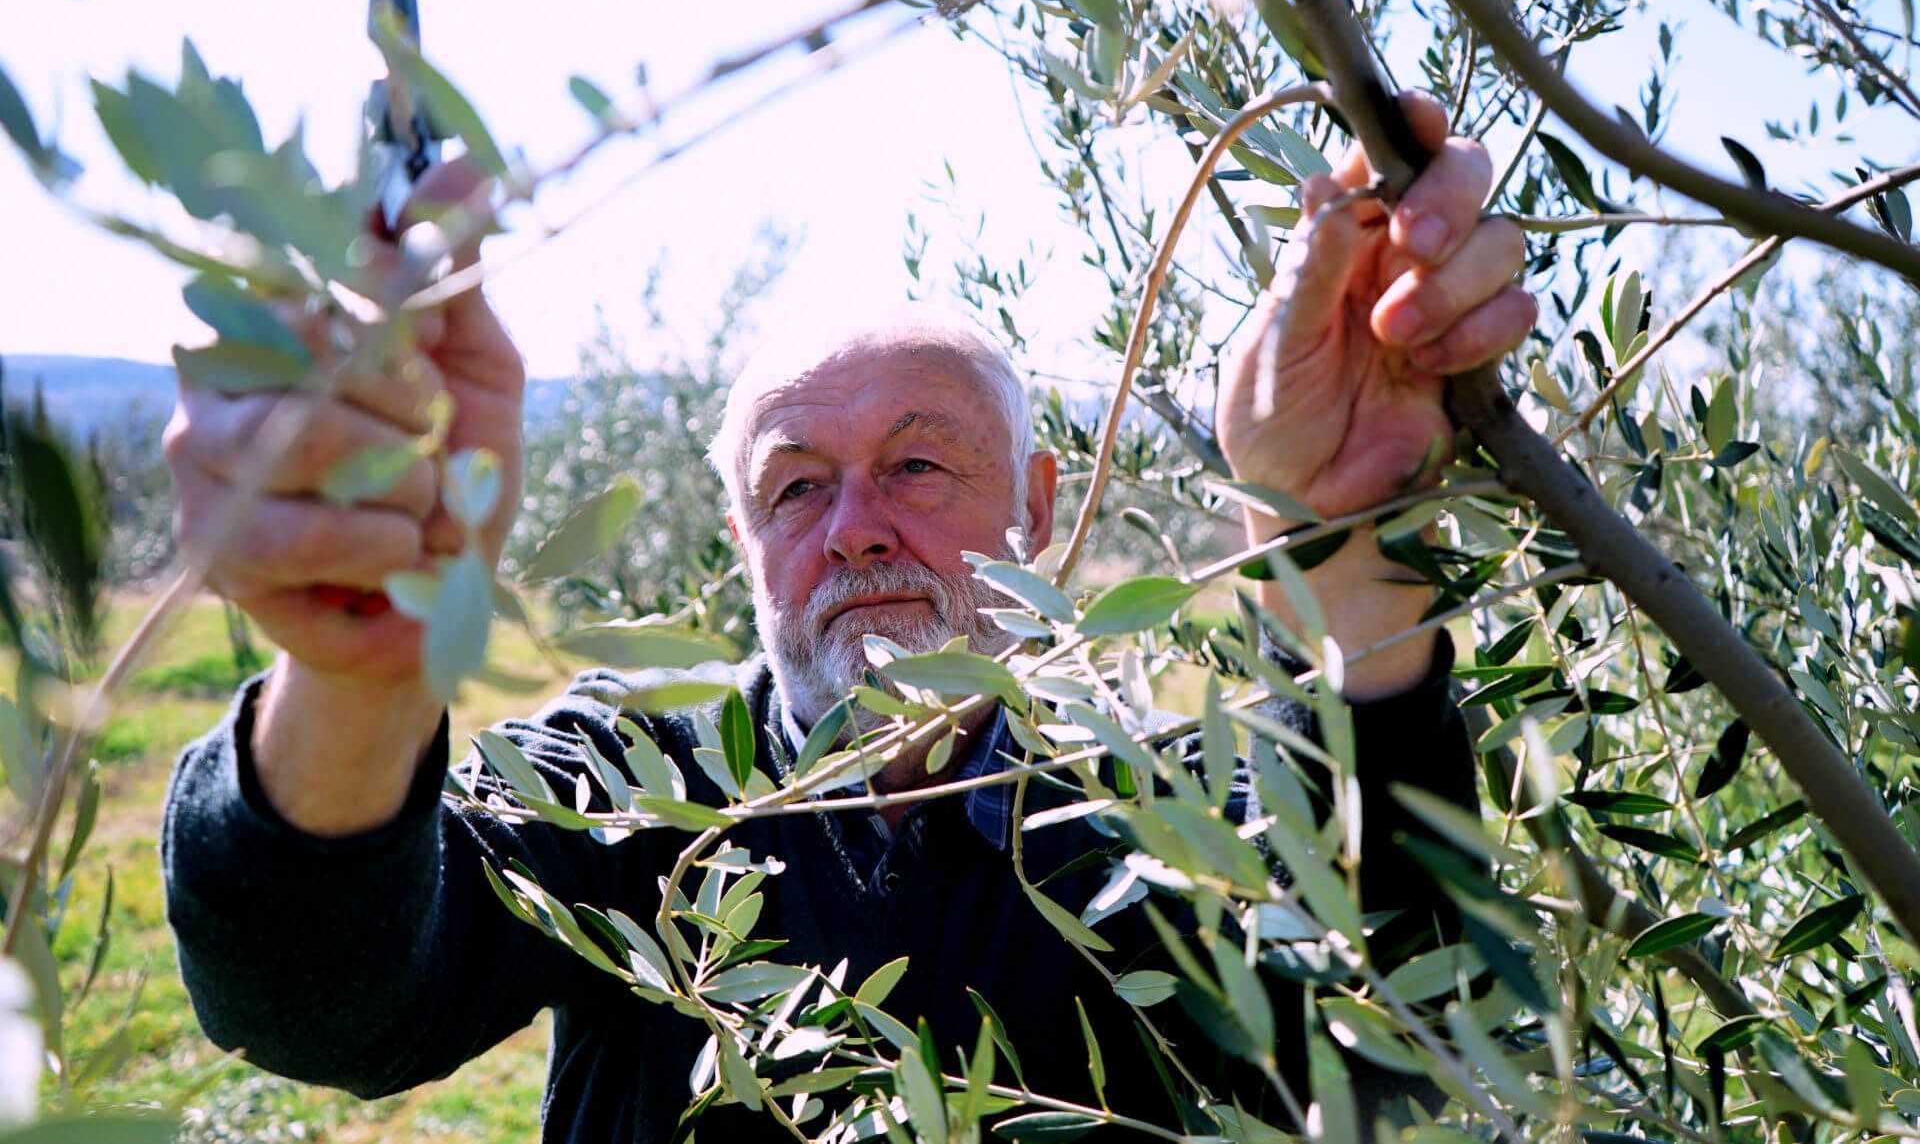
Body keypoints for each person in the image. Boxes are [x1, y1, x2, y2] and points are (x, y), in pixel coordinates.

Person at [159, 92, 1531, 1142]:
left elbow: (1401, 1018)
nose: (857, 527)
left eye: (920, 465)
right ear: (747, 540)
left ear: (1039, 505)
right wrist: (359, 662)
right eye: (796, 485)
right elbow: (321, 994)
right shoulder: (637, 792)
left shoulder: (1151, 814)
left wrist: (1338, 546)